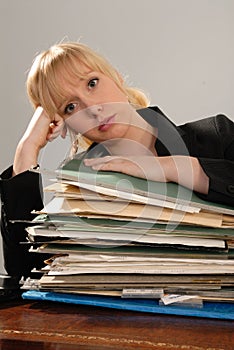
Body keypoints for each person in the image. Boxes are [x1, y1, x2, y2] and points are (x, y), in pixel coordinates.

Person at [0, 41, 234, 281]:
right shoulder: (79, 187)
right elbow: (29, 272)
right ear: (65, 123)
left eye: (92, 83)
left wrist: (174, 168)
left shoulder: (217, 135)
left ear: (117, 78)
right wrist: (27, 150)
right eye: (70, 107)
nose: (92, 108)